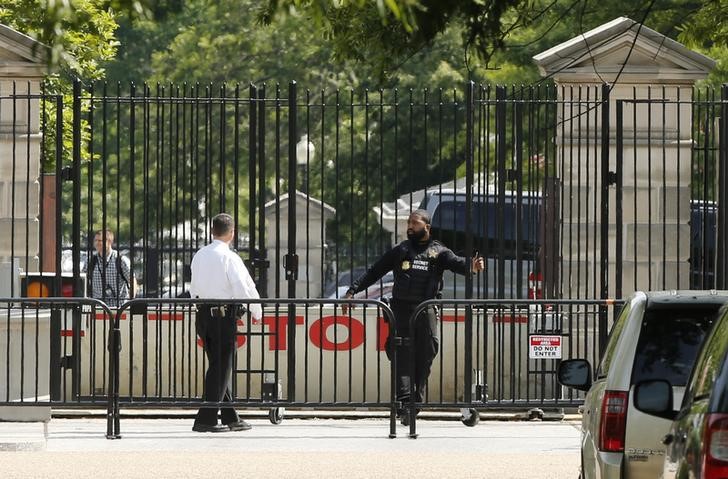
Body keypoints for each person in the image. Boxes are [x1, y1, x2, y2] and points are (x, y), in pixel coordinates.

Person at [343, 209, 484, 424]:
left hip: (425, 310)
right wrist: (352, 291)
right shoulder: (401, 250)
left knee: (426, 353)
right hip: (400, 310)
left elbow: (458, 264)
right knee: (401, 356)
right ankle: (405, 405)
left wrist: (472, 267)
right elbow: (375, 271)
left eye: (415, 223)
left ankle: (414, 402)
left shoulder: (439, 251)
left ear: (426, 227)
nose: (410, 226)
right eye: (409, 222)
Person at [189, 213, 262, 433]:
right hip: (223, 316)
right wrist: (255, 309)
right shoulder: (230, 258)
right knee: (221, 368)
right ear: (232, 233)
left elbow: (194, 287)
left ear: (212, 231)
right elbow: (243, 286)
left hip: (202, 315)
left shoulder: (200, 255)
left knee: (218, 366)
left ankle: (231, 417)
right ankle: (206, 419)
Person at [86, 229, 136, 307]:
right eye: (95, 240)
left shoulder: (120, 260)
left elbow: (132, 280)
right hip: (97, 308)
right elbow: (83, 281)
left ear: (109, 242)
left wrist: (130, 301)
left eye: (100, 240)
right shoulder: (91, 261)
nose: (97, 243)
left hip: (119, 308)